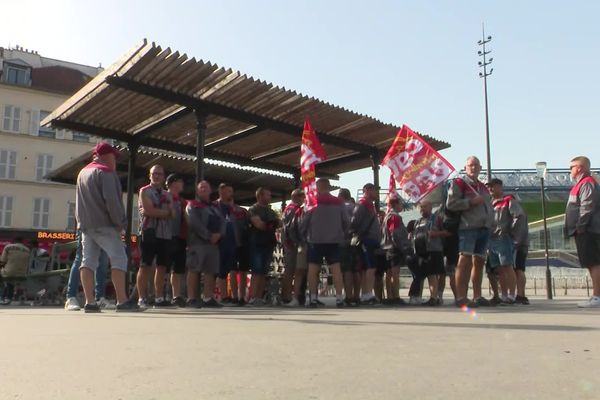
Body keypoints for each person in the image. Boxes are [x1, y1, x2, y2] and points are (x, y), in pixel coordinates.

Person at [75, 142, 140, 312]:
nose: (115, 161)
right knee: (119, 257)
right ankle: (122, 301)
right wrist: (120, 224)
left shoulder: (83, 172)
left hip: (86, 225)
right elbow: (112, 202)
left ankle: (90, 302)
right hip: (105, 224)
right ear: (106, 156)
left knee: (87, 261)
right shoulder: (106, 172)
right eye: (114, 157)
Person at [446, 156, 493, 308]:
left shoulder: (483, 186)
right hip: (468, 227)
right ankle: (461, 296)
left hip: (484, 228)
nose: (473, 168)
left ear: (480, 168)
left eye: (476, 165)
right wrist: (470, 202)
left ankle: (477, 295)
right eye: (470, 165)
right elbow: (451, 204)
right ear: (465, 168)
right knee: (464, 260)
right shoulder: (459, 183)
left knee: (479, 261)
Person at [300, 179, 349, 307]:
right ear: (329, 187)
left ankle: (313, 298)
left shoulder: (311, 202)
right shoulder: (339, 202)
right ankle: (339, 298)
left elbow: (304, 222)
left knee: (313, 269)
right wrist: (343, 234)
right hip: (334, 240)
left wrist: (303, 237)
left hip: (314, 240)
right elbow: (346, 221)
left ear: (318, 187)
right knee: (336, 269)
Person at [137, 165, 174, 309]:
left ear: (163, 176)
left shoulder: (168, 194)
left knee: (162, 266)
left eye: (159, 173)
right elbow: (149, 210)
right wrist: (164, 212)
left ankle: (159, 298)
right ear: (150, 175)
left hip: (165, 233)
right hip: (149, 231)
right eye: (154, 173)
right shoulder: (144, 191)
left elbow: (174, 214)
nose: (157, 176)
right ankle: (142, 298)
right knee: (145, 265)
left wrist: (154, 211)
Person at [564, 156, 600, 308]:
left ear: (580, 167)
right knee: (591, 263)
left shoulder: (587, 183)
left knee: (594, 262)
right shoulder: (582, 184)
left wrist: (580, 226)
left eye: (571, 167)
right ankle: (596, 296)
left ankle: (597, 297)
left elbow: (587, 206)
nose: (570, 170)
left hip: (588, 230)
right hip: (585, 229)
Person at [185, 180, 224, 308]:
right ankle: (191, 298)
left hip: (213, 244)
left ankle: (208, 298)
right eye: (201, 187)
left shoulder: (215, 207)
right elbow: (194, 222)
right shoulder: (192, 205)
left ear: (210, 190)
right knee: (194, 269)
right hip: (197, 243)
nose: (204, 189)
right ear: (197, 191)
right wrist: (208, 235)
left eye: (206, 187)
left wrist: (219, 235)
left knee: (210, 271)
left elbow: (223, 222)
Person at [488, 178, 526, 305]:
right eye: (489, 187)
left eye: (493, 186)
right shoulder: (489, 203)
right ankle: (503, 295)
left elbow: (518, 216)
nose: (491, 189)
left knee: (507, 266)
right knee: (499, 269)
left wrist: (511, 232)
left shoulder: (508, 200)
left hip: (503, 238)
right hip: (491, 239)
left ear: (500, 187)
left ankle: (511, 294)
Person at [247, 187, 281, 306]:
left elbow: (279, 223)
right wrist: (271, 224)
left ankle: (259, 297)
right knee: (256, 271)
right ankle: (252, 297)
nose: (270, 197)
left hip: (269, 243)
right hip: (257, 243)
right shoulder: (253, 209)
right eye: (268, 195)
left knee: (263, 272)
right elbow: (259, 225)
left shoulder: (270, 211)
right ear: (260, 196)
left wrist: (272, 224)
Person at [413, 200, 449, 306]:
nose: (422, 209)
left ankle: (434, 297)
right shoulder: (418, 221)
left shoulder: (437, 219)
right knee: (426, 275)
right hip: (421, 252)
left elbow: (448, 232)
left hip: (434, 250)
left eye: (425, 207)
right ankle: (427, 296)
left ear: (431, 207)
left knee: (433, 274)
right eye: (421, 207)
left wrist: (436, 234)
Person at [64, 229, 111, 311]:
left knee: (103, 261)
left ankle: (99, 298)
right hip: (87, 225)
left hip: (104, 226)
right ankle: (71, 297)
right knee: (81, 259)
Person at [350, 183, 382, 305]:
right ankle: (367, 294)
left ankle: (366, 294)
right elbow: (354, 221)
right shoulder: (363, 204)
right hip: (366, 240)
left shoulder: (369, 205)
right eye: (374, 190)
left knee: (366, 268)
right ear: (367, 190)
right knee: (370, 267)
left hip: (371, 240)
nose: (377, 193)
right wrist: (358, 235)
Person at [381, 197, 411, 305]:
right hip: (394, 248)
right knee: (395, 273)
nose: (402, 206)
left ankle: (390, 295)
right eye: (401, 203)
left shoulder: (387, 216)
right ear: (396, 204)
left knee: (389, 273)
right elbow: (394, 232)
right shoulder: (394, 217)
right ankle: (395, 296)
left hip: (387, 247)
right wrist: (402, 246)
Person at [281, 189, 307, 307]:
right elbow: (291, 228)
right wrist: (297, 242)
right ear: (298, 197)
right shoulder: (294, 209)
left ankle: (286, 296)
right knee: (294, 270)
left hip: (289, 243)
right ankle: (287, 296)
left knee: (290, 270)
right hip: (293, 244)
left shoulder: (288, 209)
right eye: (303, 197)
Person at [214, 183, 239, 305]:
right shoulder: (214, 206)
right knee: (218, 270)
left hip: (231, 242)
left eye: (231, 191)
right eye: (228, 191)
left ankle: (228, 297)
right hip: (219, 242)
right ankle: (217, 296)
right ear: (221, 192)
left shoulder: (233, 208)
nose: (231, 194)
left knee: (227, 270)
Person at [166, 173, 188, 307]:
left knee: (178, 268)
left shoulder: (182, 201)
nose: (183, 185)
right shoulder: (164, 196)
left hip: (180, 238)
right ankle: (159, 295)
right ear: (173, 183)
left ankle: (176, 295)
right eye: (180, 181)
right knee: (163, 267)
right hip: (166, 236)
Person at [338, 188, 360, 306]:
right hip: (356, 240)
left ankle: (348, 296)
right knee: (356, 270)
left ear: (341, 196)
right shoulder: (356, 207)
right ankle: (357, 295)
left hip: (343, 241)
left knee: (346, 270)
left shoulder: (342, 207)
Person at [0, 237, 30, 304]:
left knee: (5, 277)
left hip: (9, 272)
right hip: (23, 274)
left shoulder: (8, 247)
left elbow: (2, 261)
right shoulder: (27, 249)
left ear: (13, 241)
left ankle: (2, 297)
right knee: (10, 281)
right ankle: (8, 298)